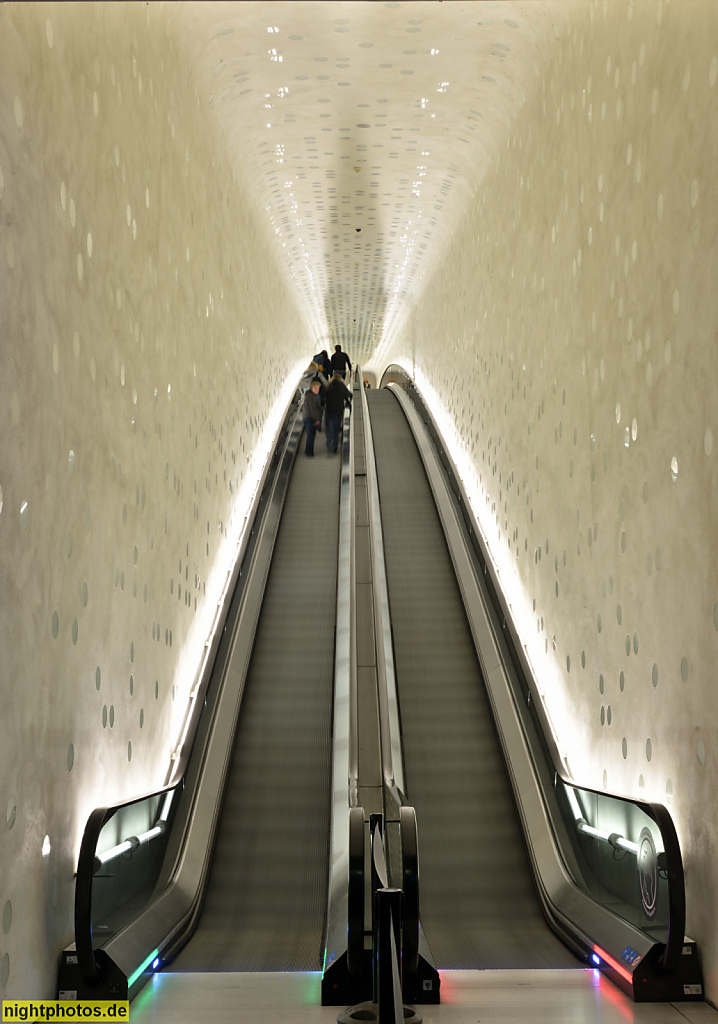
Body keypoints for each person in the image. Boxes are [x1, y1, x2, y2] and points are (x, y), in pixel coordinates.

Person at [323, 373, 352, 454]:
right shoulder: (341, 388)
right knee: (336, 429)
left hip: (329, 411)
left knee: (329, 428)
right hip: (338, 411)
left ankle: (329, 443)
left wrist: (323, 405)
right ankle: (335, 447)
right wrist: (349, 406)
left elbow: (323, 397)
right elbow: (348, 395)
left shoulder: (329, 387)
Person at [301, 379, 322, 456]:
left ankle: (307, 450)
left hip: (307, 417)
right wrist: (317, 419)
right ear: (311, 388)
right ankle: (309, 452)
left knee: (311, 435)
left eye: (318, 388)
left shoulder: (309, 395)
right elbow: (313, 408)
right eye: (315, 388)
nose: (317, 390)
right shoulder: (311, 396)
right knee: (311, 435)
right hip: (310, 418)